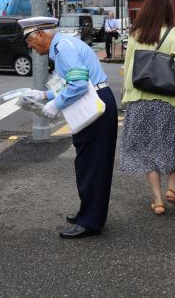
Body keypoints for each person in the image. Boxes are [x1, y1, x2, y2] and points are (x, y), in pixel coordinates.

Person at [18, 16, 118, 239]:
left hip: (95, 103)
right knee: (87, 162)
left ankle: (90, 221)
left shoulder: (63, 48)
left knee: (92, 165)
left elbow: (79, 84)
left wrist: (55, 104)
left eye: (29, 40)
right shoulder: (63, 45)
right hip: (96, 100)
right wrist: (44, 95)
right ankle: (88, 213)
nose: (29, 46)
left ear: (41, 34)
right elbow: (70, 81)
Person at [121, 0, 175, 215]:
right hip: (170, 101)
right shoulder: (174, 33)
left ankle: (158, 201)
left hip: (141, 100)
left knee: (148, 151)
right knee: (172, 146)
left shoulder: (137, 33)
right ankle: (172, 189)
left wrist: (128, 95)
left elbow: (129, 68)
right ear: (168, 11)